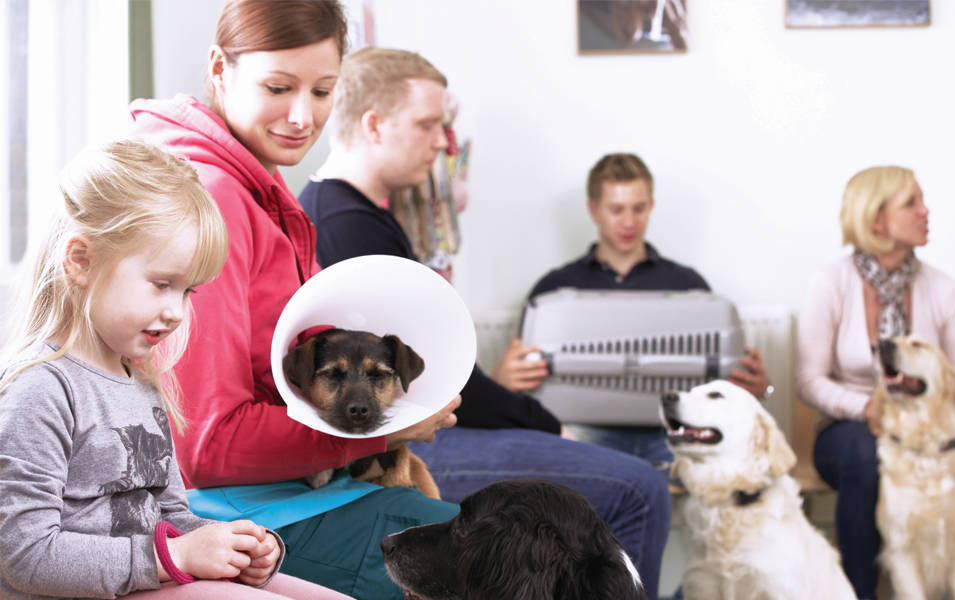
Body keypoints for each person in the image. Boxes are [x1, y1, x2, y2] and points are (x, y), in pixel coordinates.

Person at [299, 47, 671, 600]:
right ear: (374, 125)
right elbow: (446, 386)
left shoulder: (356, 217)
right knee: (639, 489)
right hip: (424, 437)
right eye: (428, 124)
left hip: (435, 422)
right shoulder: (349, 227)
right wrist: (546, 423)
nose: (443, 143)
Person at [129, 3, 459, 598]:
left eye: (324, 90)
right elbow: (206, 444)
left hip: (291, 490)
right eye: (278, 87)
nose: (302, 116)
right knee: (520, 559)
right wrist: (379, 432)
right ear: (219, 69)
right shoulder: (217, 197)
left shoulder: (263, 183)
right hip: (232, 515)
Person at [0, 140, 350, 600]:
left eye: (187, 292)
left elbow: (168, 517)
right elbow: (24, 556)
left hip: (144, 578)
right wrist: (176, 558)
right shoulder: (41, 390)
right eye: (162, 284)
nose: (176, 312)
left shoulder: (142, 388)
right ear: (81, 261)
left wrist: (233, 547)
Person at [796, 165, 955, 600]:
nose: (926, 211)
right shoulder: (831, 282)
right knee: (865, 457)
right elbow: (808, 380)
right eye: (912, 202)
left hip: (928, 428)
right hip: (849, 426)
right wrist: (865, 407)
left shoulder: (944, 289)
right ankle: (858, 593)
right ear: (876, 219)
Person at [493, 152, 771, 466]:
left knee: (729, 459)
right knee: (552, 458)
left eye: (639, 208)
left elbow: (716, 392)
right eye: (616, 210)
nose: (629, 222)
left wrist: (758, 388)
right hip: (583, 432)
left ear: (651, 206)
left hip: (672, 434)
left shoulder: (688, 286)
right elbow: (517, 380)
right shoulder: (553, 290)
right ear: (593, 210)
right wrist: (501, 379)